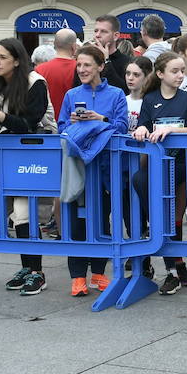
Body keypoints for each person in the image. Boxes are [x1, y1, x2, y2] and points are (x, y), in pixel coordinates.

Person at [0, 38, 51, 296]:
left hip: (36, 154)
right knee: (18, 214)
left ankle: (36, 271)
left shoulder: (35, 82)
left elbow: (28, 124)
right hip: (11, 156)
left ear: (17, 60)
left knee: (23, 212)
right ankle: (29, 268)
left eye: (3, 57)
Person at [58, 45, 129, 298]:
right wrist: (73, 123)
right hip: (79, 168)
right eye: (79, 65)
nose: (82, 70)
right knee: (77, 221)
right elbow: (61, 127)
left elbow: (122, 127)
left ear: (101, 66)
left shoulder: (117, 94)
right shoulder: (71, 94)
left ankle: (99, 272)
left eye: (87, 65)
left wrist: (100, 119)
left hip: (108, 169)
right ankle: (77, 277)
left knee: (102, 219)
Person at [131, 51, 187, 296]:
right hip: (156, 165)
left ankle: (175, 269)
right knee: (140, 182)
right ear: (160, 74)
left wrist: (170, 129)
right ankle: (174, 265)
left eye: (182, 71)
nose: (180, 75)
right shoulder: (150, 98)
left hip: (182, 165)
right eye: (175, 71)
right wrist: (142, 128)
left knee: (173, 216)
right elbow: (143, 122)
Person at [37, 29, 80, 123]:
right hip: (72, 123)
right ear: (74, 46)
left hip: (47, 125)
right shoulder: (81, 69)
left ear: (54, 45)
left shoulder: (39, 69)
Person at [92, 15, 130, 88]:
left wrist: (106, 61)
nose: (97, 35)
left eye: (103, 31)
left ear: (115, 36)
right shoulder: (88, 60)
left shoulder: (127, 62)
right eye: (96, 31)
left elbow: (123, 90)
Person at [123, 55, 153, 133]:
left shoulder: (152, 102)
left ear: (147, 77)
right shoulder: (122, 100)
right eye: (128, 73)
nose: (130, 78)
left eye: (136, 75)